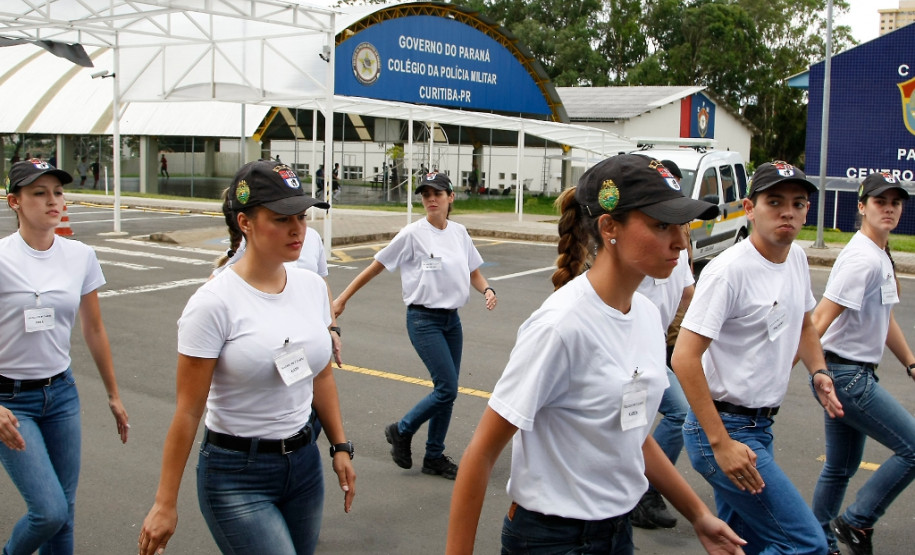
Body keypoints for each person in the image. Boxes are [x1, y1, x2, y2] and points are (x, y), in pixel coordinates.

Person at [446, 154, 743, 554]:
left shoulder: (645, 316)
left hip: (617, 534)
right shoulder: (560, 326)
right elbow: (481, 453)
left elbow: (631, 432)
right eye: (661, 225)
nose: (680, 241)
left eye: (682, 225)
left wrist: (699, 515)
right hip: (552, 541)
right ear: (610, 228)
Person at [139, 160, 355, 555]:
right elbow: (188, 412)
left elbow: (321, 376)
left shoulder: (309, 286)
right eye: (281, 218)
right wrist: (165, 502)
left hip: (304, 466)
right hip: (237, 473)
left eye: (302, 216)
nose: (298, 229)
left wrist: (340, 446)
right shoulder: (214, 303)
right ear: (246, 222)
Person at [672, 161, 844, 555]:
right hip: (723, 428)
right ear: (749, 208)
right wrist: (721, 443)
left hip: (760, 426)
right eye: (775, 201)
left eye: (798, 203)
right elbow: (684, 358)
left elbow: (804, 326)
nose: (788, 211)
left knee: (741, 545)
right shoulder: (728, 272)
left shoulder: (796, 259)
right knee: (805, 544)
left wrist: (818, 371)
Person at [0, 159, 129, 555]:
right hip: (10, 400)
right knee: (49, 511)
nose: (53, 201)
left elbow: (93, 328)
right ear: (14, 202)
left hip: (61, 395)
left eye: (57, 192)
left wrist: (113, 394)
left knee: (65, 513)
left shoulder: (80, 255)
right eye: (39, 193)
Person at [333, 171, 497, 480]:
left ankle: (433, 455)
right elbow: (376, 266)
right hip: (423, 320)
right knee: (447, 388)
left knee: (446, 391)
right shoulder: (412, 234)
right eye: (425, 194)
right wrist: (342, 299)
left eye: (437, 193)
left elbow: (474, 271)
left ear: (451, 197)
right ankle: (402, 429)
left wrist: (487, 289)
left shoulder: (459, 233)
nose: (431, 199)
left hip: (452, 321)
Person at [809, 171, 915, 555]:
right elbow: (819, 320)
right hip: (847, 376)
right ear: (861, 206)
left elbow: (883, 319)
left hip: (850, 373)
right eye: (879, 202)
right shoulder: (862, 260)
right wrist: (780, 374)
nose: (888, 208)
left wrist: (910, 362)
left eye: (895, 202)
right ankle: (856, 521)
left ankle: (817, 542)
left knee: (839, 468)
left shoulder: (878, 254)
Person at [629, 157, 695, 530]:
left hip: (657, 348)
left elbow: (687, 293)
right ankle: (643, 490)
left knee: (634, 424)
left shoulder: (678, 247)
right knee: (675, 414)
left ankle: (639, 489)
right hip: (634, 352)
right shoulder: (639, 251)